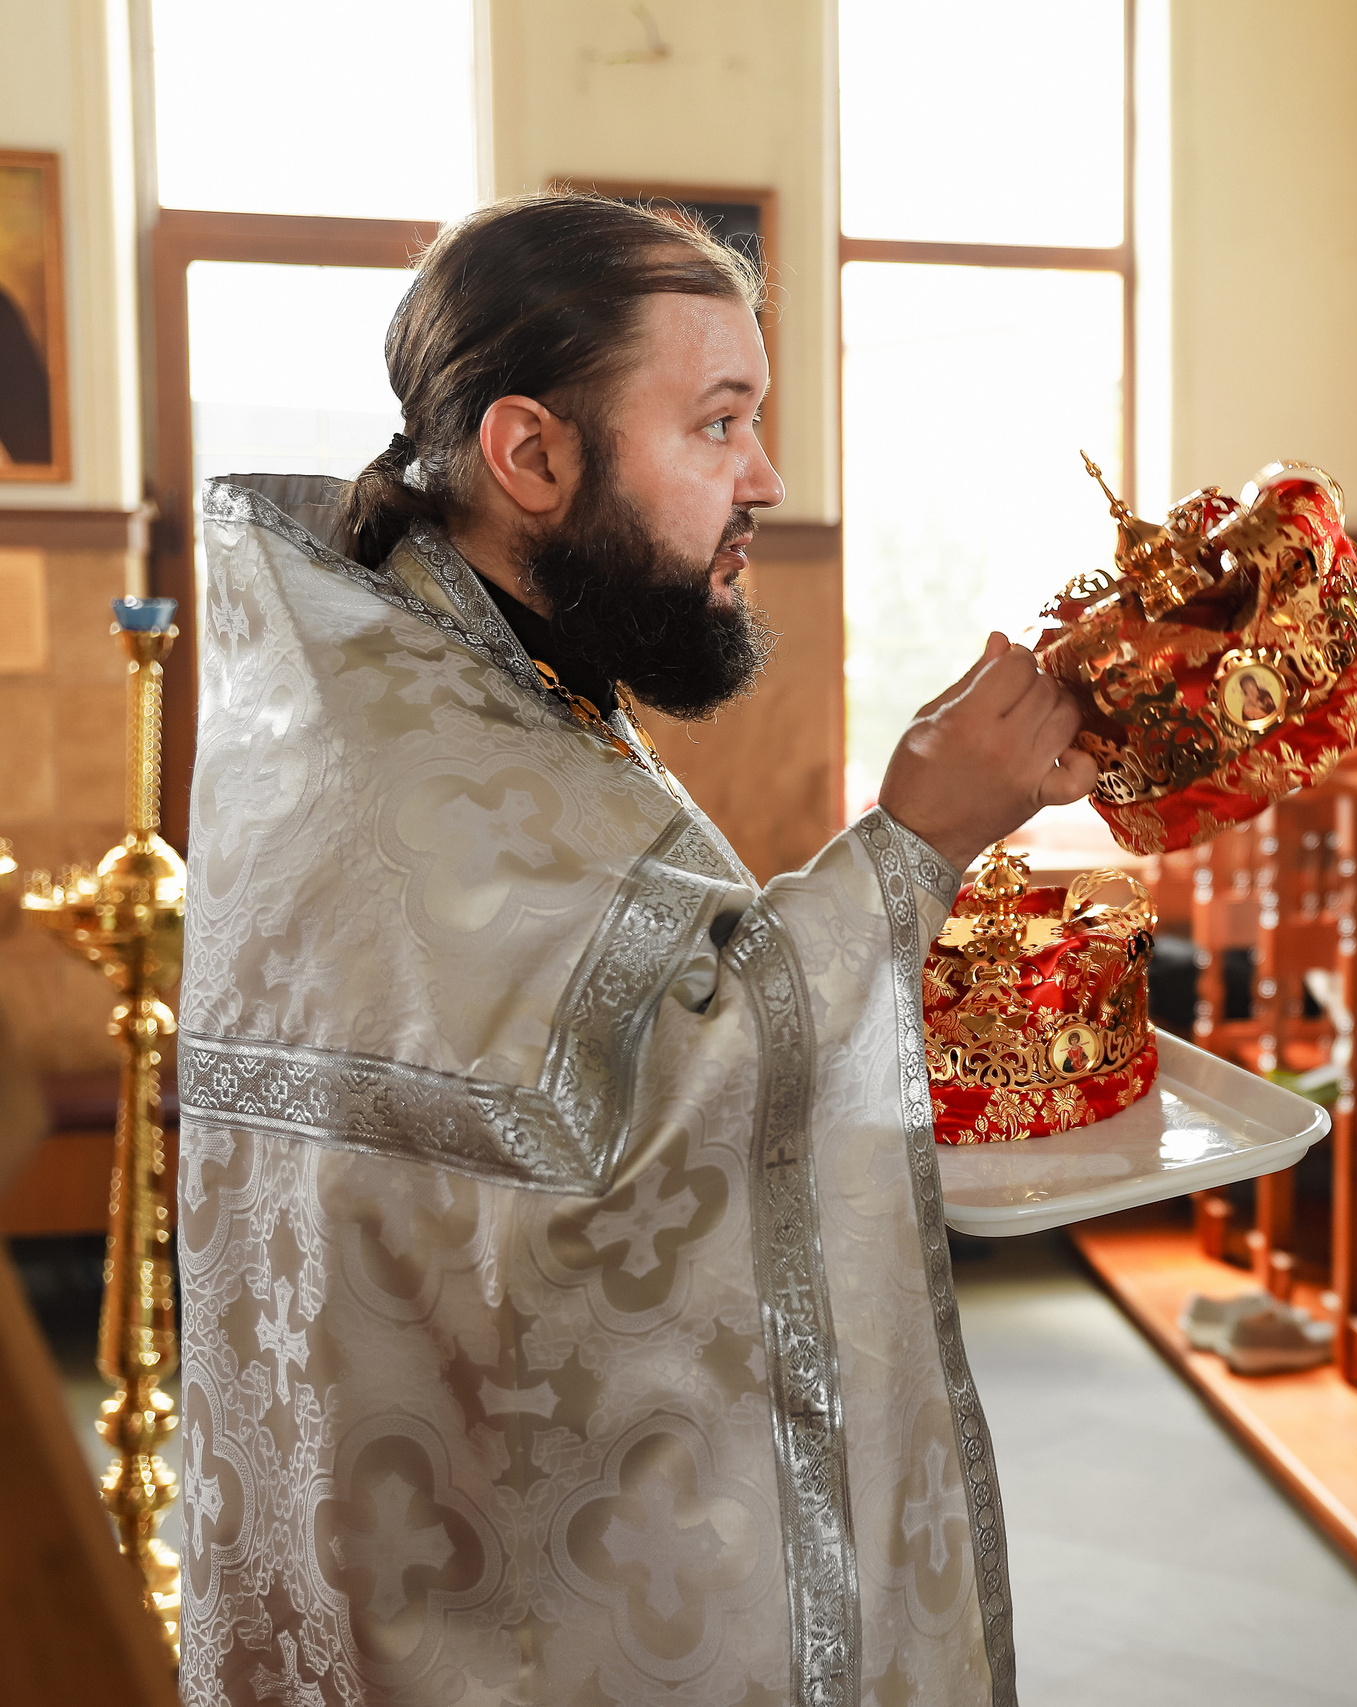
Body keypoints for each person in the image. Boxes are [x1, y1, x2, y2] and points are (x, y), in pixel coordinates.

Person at [176, 195, 1094, 1706]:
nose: (766, 476)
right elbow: (651, 1110)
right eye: (719, 422)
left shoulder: (460, 671)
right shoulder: (408, 754)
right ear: (532, 455)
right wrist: (916, 843)